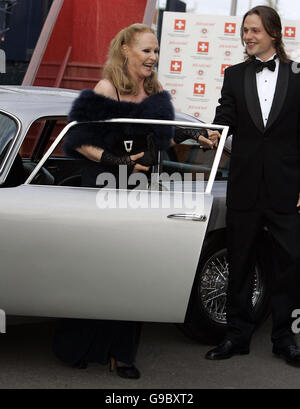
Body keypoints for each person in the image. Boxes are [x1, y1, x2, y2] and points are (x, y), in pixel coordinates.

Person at [52, 23, 177, 379]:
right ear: (125, 51)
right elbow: (79, 140)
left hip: (141, 190)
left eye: (156, 51)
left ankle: (121, 354)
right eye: (146, 50)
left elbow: (167, 133)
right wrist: (120, 162)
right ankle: (81, 346)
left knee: (134, 271)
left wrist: (198, 135)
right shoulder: (107, 88)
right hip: (105, 188)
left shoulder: (155, 88)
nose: (153, 57)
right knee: (100, 270)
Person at [205, 6, 300, 366]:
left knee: (289, 264)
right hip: (244, 185)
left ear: (273, 33)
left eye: (255, 30)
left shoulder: (298, 75)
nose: (247, 36)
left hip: (286, 188)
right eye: (245, 30)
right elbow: (224, 117)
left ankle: (284, 339)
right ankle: (236, 336)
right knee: (240, 261)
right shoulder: (234, 75)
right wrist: (212, 134)